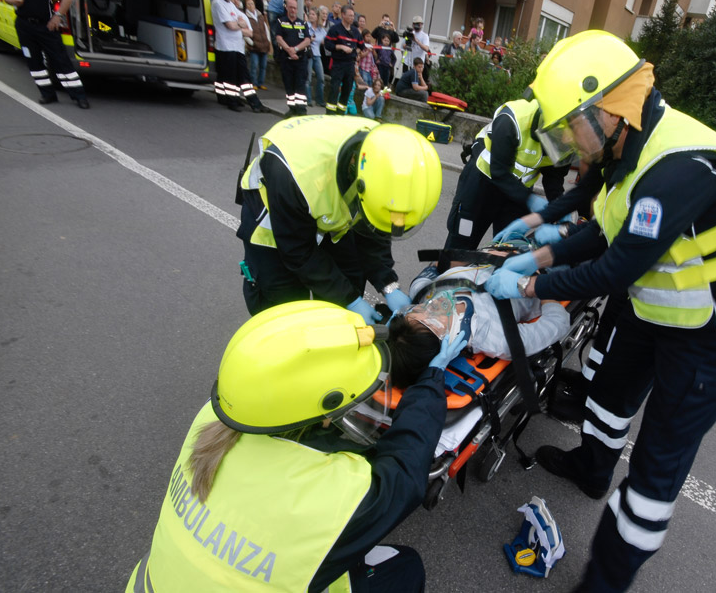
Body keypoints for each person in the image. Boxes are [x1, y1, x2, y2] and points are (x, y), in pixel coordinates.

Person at [484, 31, 716, 590]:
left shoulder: (678, 167)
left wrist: (532, 284)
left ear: (604, 109)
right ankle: (594, 468)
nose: (570, 144)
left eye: (571, 125)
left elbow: (614, 268)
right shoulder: (629, 149)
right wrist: (539, 255)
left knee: (658, 462)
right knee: (609, 391)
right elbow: (604, 229)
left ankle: (606, 580)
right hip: (662, 304)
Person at [125, 300, 467, 593]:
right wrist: (431, 380)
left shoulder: (212, 420)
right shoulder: (334, 493)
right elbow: (405, 472)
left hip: (151, 582)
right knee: (406, 568)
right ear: (321, 416)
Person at [236, 117, 442, 320]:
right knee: (286, 309)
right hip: (275, 217)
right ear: (356, 186)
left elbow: (373, 226)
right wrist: (350, 300)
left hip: (328, 208)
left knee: (348, 282)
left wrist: (388, 284)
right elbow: (298, 252)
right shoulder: (298, 175)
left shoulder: (382, 152)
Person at [387, 261, 569, 387]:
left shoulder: (422, 292)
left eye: (417, 310)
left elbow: (436, 266)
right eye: (432, 318)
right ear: (445, 346)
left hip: (508, 246)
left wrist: (484, 255)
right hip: (553, 268)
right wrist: (541, 284)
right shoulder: (497, 338)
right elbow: (558, 322)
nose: (433, 303)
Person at [444, 97, 570, 250]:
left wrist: (559, 207)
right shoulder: (512, 120)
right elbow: (498, 171)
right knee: (460, 246)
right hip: (481, 184)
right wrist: (531, 200)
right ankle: (446, 272)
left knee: (506, 249)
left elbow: (553, 178)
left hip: (517, 196)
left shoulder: (568, 137)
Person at [3, 0, 89, 108]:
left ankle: (79, 96)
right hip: (24, 26)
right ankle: (47, 94)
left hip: (46, 27)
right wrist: (11, 1)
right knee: (34, 62)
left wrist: (57, 16)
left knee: (61, 61)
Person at [211, 0, 269, 113]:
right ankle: (232, 101)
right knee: (230, 77)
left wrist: (238, 25)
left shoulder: (231, 5)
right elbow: (230, 25)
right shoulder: (218, 4)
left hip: (237, 46)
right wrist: (239, 25)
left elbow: (248, 30)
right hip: (226, 46)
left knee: (243, 76)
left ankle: (251, 102)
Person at [324, 5, 365, 115]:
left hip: (350, 64)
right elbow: (327, 44)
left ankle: (341, 112)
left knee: (347, 89)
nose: (352, 18)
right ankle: (330, 113)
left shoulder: (355, 32)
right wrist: (340, 47)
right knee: (334, 88)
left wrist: (356, 52)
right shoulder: (335, 29)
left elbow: (362, 46)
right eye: (350, 15)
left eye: (353, 16)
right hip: (338, 63)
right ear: (343, 15)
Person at [273, 0, 311, 117]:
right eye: (291, 7)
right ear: (287, 8)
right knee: (289, 85)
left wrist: (295, 49)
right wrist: (289, 51)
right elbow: (278, 38)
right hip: (286, 59)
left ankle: (301, 109)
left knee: (300, 85)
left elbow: (307, 40)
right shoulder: (281, 22)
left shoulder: (303, 23)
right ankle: (292, 108)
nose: (293, 10)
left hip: (300, 59)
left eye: (295, 8)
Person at [243, 0, 272, 91]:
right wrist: (251, 43)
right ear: (246, 6)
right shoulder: (245, 17)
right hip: (254, 46)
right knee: (254, 65)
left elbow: (266, 28)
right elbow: (245, 32)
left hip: (264, 44)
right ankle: (254, 83)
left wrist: (268, 40)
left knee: (263, 66)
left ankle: (261, 83)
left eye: (252, 3)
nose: (251, 6)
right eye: (249, 4)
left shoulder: (260, 16)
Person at [305, 8, 327, 107]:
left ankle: (320, 100)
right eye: (310, 14)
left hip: (317, 55)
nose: (311, 16)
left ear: (317, 16)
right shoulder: (306, 26)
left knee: (321, 78)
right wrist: (310, 40)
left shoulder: (320, 29)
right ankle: (308, 100)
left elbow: (325, 41)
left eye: (313, 14)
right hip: (308, 55)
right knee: (308, 78)